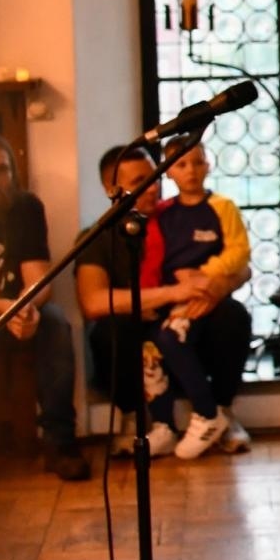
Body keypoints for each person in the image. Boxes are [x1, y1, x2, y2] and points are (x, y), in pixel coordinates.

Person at [77, 146, 253, 456]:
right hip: (143, 333)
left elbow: (242, 267)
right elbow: (93, 302)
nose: (152, 187)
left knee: (232, 314)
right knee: (108, 331)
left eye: (154, 178)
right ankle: (136, 418)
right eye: (140, 182)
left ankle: (221, 411)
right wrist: (171, 294)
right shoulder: (97, 236)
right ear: (111, 189)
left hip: (187, 327)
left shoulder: (177, 215)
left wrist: (216, 287)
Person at [0, 134, 90, 481]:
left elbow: (38, 279)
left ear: (13, 172)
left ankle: (60, 444)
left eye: (1, 170)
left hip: (17, 310)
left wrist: (27, 308)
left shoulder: (26, 207)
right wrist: (4, 308)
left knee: (56, 323)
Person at [141, 137, 251, 458]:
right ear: (168, 172)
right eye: (181, 164)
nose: (191, 171)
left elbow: (239, 252)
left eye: (197, 162)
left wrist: (207, 276)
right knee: (150, 348)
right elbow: (155, 258)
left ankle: (208, 413)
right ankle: (163, 424)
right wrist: (169, 285)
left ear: (208, 166)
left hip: (206, 297)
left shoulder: (222, 207)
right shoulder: (163, 214)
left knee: (172, 336)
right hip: (173, 298)